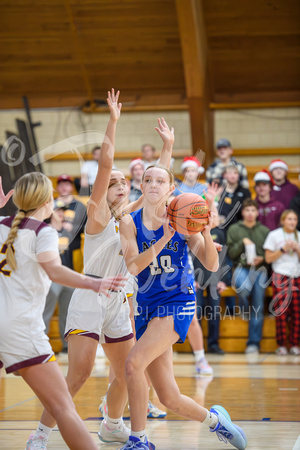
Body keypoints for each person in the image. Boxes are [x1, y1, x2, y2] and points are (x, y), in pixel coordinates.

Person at [27, 91, 175, 449]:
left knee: (129, 371)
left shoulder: (131, 215)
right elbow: (106, 164)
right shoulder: (96, 215)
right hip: (89, 297)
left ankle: (111, 424)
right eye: (114, 184)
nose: (121, 186)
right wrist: (113, 121)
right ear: (101, 191)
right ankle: (41, 434)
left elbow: (160, 184)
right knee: (77, 375)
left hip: (117, 300)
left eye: (126, 183)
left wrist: (167, 147)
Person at [119, 164, 247, 449]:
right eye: (147, 179)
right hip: (146, 307)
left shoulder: (185, 217)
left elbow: (212, 265)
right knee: (169, 398)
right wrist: (164, 237)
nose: (152, 184)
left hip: (177, 302)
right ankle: (217, 422)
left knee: (133, 364)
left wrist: (207, 231)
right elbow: (132, 265)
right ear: (141, 186)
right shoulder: (130, 221)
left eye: (159, 180)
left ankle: (138, 440)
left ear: (171, 189)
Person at [0, 173, 126, 450]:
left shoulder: (1, 224)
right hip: (20, 330)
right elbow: (55, 271)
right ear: (48, 200)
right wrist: (95, 281)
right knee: (64, 408)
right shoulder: (42, 232)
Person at [227, 199, 270, 354]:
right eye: (247, 210)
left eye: (253, 210)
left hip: (260, 270)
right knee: (244, 289)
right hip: (241, 268)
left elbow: (270, 253)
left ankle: (253, 343)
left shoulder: (265, 231)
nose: (250, 213)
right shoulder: (234, 229)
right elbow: (230, 254)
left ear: (257, 212)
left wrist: (263, 258)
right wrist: (242, 243)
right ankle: (244, 311)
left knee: (258, 306)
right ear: (243, 212)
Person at [264, 210, 300, 356]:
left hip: (297, 275)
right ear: (283, 220)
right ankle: (281, 345)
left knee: (297, 313)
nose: (292, 222)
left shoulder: (299, 235)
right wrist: (282, 249)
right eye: (289, 219)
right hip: (280, 275)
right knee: (281, 312)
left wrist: (297, 249)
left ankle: (294, 344)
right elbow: (268, 258)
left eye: (295, 219)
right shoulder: (274, 235)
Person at [43, 199, 75, 354]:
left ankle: (66, 345)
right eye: (58, 211)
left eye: (63, 211)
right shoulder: (44, 230)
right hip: (52, 277)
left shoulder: (68, 231)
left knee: (67, 313)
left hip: (68, 276)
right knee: (46, 311)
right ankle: (41, 344)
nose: (61, 213)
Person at [55, 174, 87, 266]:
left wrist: (73, 227)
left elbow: (87, 226)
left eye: (67, 184)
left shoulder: (80, 206)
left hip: (74, 246)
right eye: (61, 185)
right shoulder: (51, 204)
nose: (64, 187)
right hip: (55, 246)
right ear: (57, 187)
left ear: (72, 187)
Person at [217, 164, 251, 235]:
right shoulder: (219, 191)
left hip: (240, 226)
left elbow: (248, 209)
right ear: (224, 175)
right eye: (230, 173)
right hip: (223, 228)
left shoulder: (245, 191)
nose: (233, 176)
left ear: (238, 175)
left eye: (235, 173)